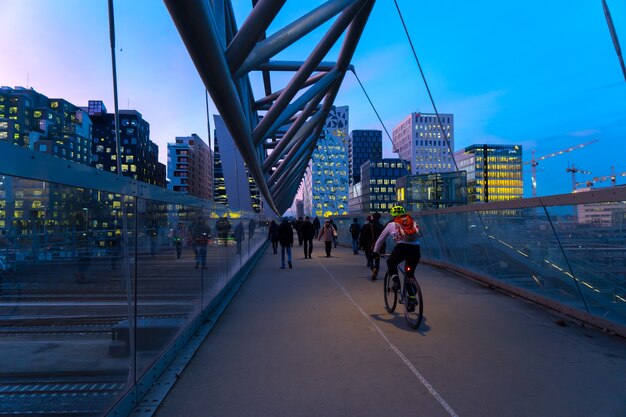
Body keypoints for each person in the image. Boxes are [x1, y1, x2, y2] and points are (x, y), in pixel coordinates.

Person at [372, 205, 421, 309]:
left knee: (391, 262)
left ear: (392, 215)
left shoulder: (391, 224)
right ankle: (412, 297)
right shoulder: (412, 221)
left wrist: (375, 252)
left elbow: (381, 239)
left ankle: (396, 281)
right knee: (410, 274)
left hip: (401, 248)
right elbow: (419, 234)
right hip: (415, 249)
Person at [360, 213, 384, 280]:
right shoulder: (381, 226)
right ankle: (375, 274)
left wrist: (361, 244)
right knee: (377, 259)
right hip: (379, 245)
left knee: (370, 259)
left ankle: (373, 268)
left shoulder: (368, 226)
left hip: (370, 244)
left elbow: (363, 236)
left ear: (372, 217)